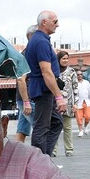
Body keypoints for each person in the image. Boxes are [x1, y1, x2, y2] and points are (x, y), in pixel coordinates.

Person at [25, 11, 66, 155]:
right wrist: (59, 97)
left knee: (56, 122)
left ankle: (44, 157)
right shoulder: (41, 42)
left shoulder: (40, 40)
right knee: (41, 127)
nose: (57, 25)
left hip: (42, 88)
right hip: (43, 89)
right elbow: (46, 72)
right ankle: (39, 160)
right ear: (44, 22)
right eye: (55, 22)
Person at [14, 24, 37, 143]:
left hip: (24, 98)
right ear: (31, 36)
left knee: (22, 129)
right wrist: (26, 102)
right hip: (27, 98)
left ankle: (16, 155)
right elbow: (21, 79)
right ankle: (43, 157)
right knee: (40, 129)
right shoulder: (26, 55)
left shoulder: (25, 53)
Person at [55, 51, 77, 157]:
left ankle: (69, 149)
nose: (65, 60)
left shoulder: (71, 71)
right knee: (54, 127)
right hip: (56, 104)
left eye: (67, 58)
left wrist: (75, 103)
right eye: (63, 58)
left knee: (67, 127)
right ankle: (53, 150)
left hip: (68, 104)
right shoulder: (53, 70)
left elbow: (75, 88)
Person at [75, 69, 90, 136]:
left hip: (87, 102)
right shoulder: (74, 83)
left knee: (88, 116)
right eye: (78, 75)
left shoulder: (86, 82)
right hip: (78, 103)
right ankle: (80, 130)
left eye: (81, 74)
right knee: (79, 117)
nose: (79, 76)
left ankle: (86, 126)